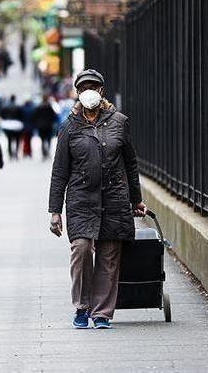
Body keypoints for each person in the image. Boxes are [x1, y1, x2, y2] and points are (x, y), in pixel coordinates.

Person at [47, 69, 147, 330]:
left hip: (114, 199)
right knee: (81, 249)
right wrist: (55, 210)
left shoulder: (119, 122)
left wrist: (136, 200)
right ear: (77, 92)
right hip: (81, 199)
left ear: (101, 91)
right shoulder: (69, 126)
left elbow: (130, 164)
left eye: (93, 86)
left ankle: (101, 312)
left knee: (108, 257)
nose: (88, 91)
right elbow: (60, 171)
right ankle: (82, 307)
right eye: (83, 87)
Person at [32, 95, 58, 160]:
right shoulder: (49, 107)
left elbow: (34, 116)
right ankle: (48, 151)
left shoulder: (38, 107)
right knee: (49, 140)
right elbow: (54, 116)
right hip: (48, 125)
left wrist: (37, 123)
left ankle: (44, 154)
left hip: (41, 126)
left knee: (42, 140)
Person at [0, 95, 23, 159]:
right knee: (17, 140)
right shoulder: (18, 106)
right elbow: (21, 115)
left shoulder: (5, 106)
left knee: (9, 140)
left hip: (7, 125)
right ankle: (16, 153)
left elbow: (1, 114)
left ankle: (10, 154)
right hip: (17, 125)